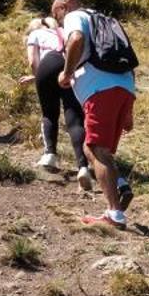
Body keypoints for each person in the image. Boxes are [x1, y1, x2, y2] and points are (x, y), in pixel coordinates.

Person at [55, 0, 134, 228]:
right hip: (125, 87)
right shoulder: (106, 21)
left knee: (94, 148)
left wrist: (67, 73)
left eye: (56, 14)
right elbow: (128, 58)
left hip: (100, 89)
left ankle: (114, 213)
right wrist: (129, 111)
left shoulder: (75, 16)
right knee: (101, 150)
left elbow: (76, 39)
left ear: (63, 7)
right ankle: (118, 190)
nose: (58, 21)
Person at [22, 14, 90, 184]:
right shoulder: (65, 31)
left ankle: (49, 155)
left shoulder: (36, 34)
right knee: (74, 118)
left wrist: (38, 77)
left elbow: (33, 62)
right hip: (69, 66)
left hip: (48, 63)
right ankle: (83, 166)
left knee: (49, 113)